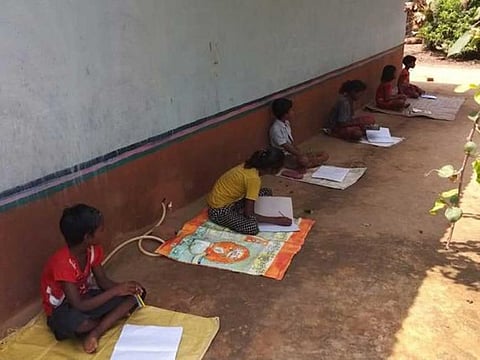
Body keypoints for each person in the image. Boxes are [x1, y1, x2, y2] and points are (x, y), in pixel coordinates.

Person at [40, 204, 146, 354]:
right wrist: (116, 291)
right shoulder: (62, 262)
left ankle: (95, 332)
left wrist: (124, 288)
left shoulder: (93, 250)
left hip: (86, 297)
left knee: (136, 294)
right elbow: (79, 304)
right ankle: (105, 322)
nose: (104, 232)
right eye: (101, 230)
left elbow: (103, 281)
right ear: (87, 237)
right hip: (63, 309)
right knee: (80, 324)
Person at [207, 148, 292, 235]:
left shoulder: (249, 166)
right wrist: (276, 220)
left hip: (231, 201)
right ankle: (238, 214)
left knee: (266, 192)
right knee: (252, 227)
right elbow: (249, 214)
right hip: (219, 211)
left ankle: (239, 213)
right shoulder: (253, 179)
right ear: (272, 169)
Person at [269, 98, 329, 172]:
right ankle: (306, 164)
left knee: (324, 154)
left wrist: (302, 153)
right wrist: (300, 155)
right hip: (283, 156)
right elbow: (287, 147)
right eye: (291, 110)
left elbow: (292, 143)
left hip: (292, 153)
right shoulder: (276, 129)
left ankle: (307, 164)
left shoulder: (286, 123)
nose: (293, 112)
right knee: (303, 160)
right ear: (285, 114)